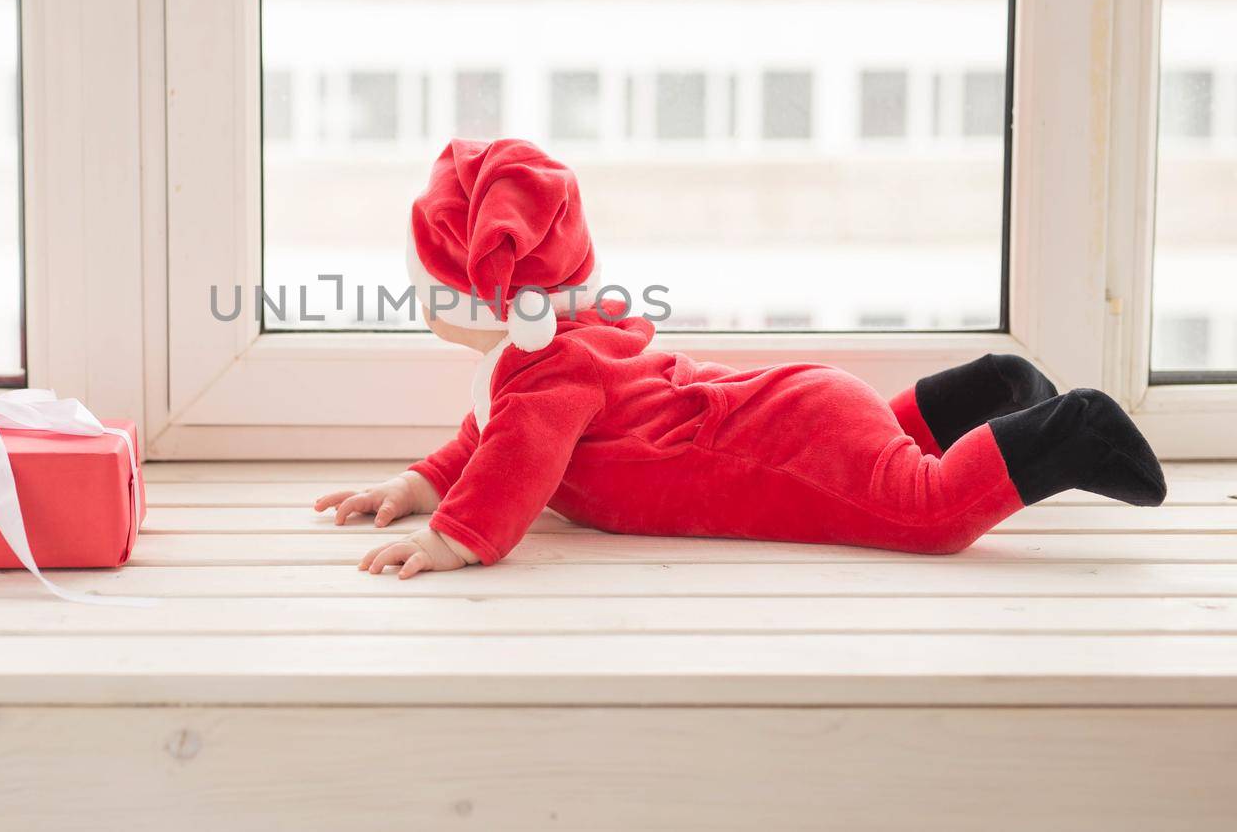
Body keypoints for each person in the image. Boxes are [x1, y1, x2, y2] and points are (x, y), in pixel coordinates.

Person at [315, 138, 1164, 579]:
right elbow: (487, 434)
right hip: (804, 407)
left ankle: (1072, 429)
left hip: (786, 433)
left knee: (925, 510)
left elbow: (517, 459)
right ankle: (997, 391)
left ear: (490, 301)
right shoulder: (555, 353)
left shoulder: (549, 379)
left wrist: (456, 537)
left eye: (427, 282)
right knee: (880, 449)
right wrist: (416, 485)